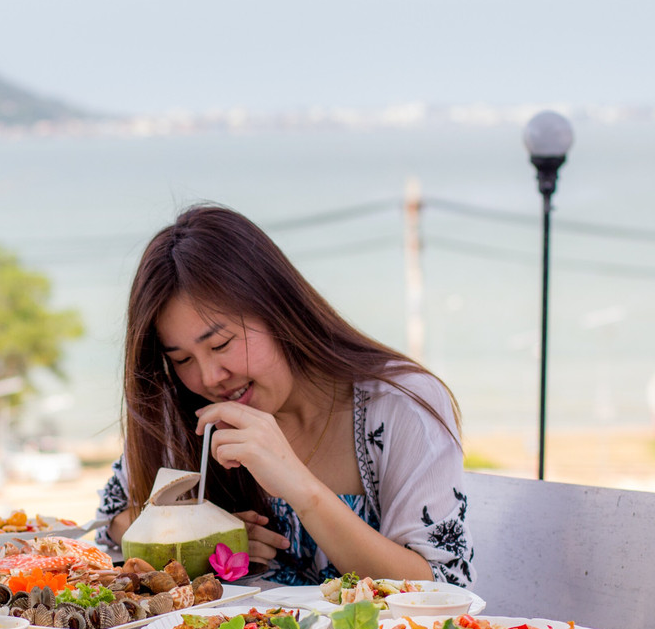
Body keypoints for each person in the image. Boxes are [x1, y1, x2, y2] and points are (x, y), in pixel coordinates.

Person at [94, 204, 474, 587]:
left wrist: (302, 489)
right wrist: (194, 532)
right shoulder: (186, 413)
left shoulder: (400, 405)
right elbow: (111, 520)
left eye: (222, 344)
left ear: (276, 308)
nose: (209, 378)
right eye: (182, 359)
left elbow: (441, 588)